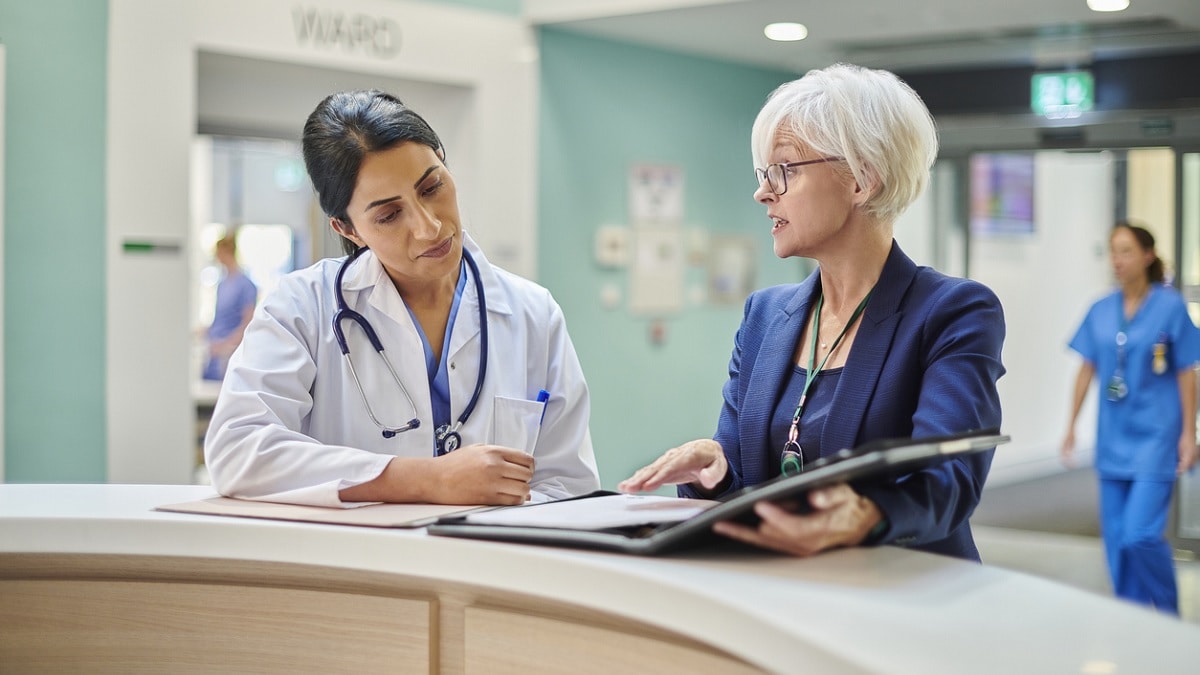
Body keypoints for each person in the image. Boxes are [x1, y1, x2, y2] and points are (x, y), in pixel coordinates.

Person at [618, 63, 1006, 561]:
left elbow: (948, 480)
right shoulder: (765, 314)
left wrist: (865, 514)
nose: (763, 192)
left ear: (862, 179)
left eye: (784, 170)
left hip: (904, 600)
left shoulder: (952, 311)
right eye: (763, 175)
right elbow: (747, 485)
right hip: (780, 604)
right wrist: (713, 472)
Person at [205, 90, 600, 507]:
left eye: (432, 187)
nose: (429, 227)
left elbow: (569, 486)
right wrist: (426, 480)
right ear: (347, 229)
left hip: (491, 564)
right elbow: (237, 451)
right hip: (357, 566)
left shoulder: (533, 314)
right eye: (389, 215)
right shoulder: (302, 309)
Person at [1061, 221, 1200, 614]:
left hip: (1157, 436)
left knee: (1140, 534)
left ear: (1147, 255)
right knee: (1117, 543)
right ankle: (1133, 616)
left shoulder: (1169, 306)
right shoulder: (1101, 309)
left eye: (1126, 251)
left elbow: (1187, 370)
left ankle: (1168, 611)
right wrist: (1071, 425)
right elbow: (1086, 368)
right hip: (1114, 437)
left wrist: (1189, 434)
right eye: (1113, 251)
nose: (1117, 260)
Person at [202, 234, 258, 381]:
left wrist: (226, 345)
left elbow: (248, 322)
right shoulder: (222, 283)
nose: (217, 258)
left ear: (227, 252)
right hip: (214, 351)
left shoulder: (246, 285)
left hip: (229, 352)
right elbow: (219, 319)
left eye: (219, 253)